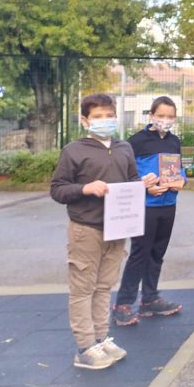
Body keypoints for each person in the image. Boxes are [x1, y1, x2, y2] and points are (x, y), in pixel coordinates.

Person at [50, 93, 157, 370]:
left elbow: (131, 181)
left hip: (117, 227)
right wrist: (85, 188)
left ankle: (100, 338)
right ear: (85, 120)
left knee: (104, 286)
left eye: (109, 115)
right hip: (86, 228)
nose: (105, 120)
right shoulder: (74, 151)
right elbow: (58, 189)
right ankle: (85, 347)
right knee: (83, 288)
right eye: (97, 116)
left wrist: (144, 184)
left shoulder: (124, 148)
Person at [112, 96, 186, 326]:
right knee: (140, 253)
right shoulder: (136, 142)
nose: (165, 120)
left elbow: (180, 169)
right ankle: (123, 303)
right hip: (145, 206)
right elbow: (126, 174)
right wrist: (145, 187)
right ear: (151, 115)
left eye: (170, 116)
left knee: (157, 253)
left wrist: (181, 181)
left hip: (168, 205)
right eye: (161, 115)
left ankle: (150, 299)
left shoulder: (174, 141)